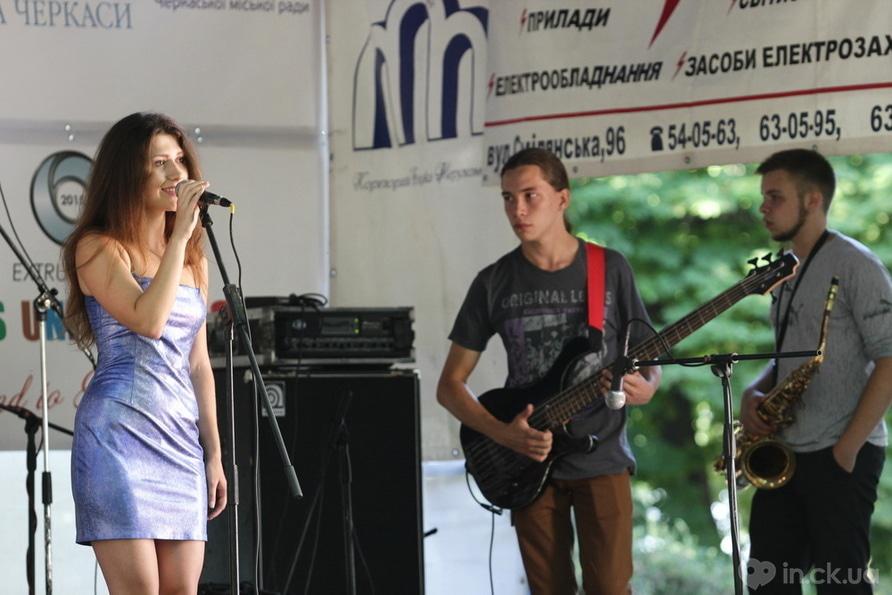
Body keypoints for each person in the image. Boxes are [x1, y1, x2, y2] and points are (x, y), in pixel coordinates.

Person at [437, 147, 661, 594]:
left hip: (602, 456)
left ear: (562, 198)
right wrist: (504, 435)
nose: (517, 210)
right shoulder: (493, 281)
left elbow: (648, 357)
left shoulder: (609, 267)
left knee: (611, 588)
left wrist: (649, 386)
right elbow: (450, 386)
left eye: (530, 195)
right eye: (507, 198)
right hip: (528, 465)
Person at [62, 112, 227, 594]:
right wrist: (179, 238)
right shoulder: (98, 247)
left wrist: (214, 454)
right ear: (127, 173)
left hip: (179, 442)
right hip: (117, 439)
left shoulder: (193, 259)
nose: (176, 173)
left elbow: (198, 364)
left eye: (179, 160)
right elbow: (149, 322)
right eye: (159, 163)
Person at [741, 148, 892, 593]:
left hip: (840, 453)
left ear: (812, 200)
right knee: (766, 583)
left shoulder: (855, 264)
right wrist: (753, 392)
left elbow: (890, 356)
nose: (763, 207)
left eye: (775, 197)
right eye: (764, 197)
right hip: (786, 452)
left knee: (841, 585)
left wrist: (846, 450)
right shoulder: (785, 268)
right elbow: (790, 355)